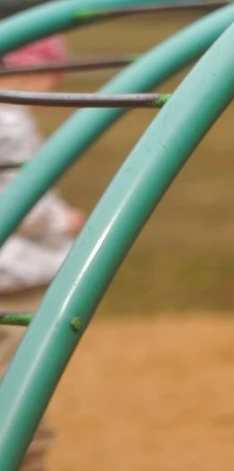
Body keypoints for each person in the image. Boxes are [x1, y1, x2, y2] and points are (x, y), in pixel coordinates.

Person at [0, 37, 86, 471]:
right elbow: (23, 201)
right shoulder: (10, 123)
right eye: (54, 77)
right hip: (17, 282)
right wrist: (64, 221)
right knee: (21, 391)